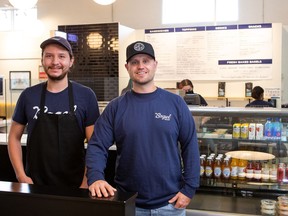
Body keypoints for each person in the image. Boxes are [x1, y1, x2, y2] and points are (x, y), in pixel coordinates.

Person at [86, 41, 200, 216]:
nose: (141, 66)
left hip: (170, 205)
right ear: (127, 67)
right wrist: (96, 177)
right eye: (134, 62)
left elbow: (190, 145)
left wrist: (189, 189)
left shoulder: (175, 103)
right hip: (128, 203)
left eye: (146, 61)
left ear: (155, 64)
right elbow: (97, 145)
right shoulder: (116, 107)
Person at [8, 36, 100, 188]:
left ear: (71, 61)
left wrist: (86, 180)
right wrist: (21, 175)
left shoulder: (86, 95)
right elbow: (14, 137)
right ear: (42, 60)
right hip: (35, 184)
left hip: (76, 185)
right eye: (49, 56)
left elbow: (94, 143)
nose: (55, 62)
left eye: (61, 56)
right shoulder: (28, 95)